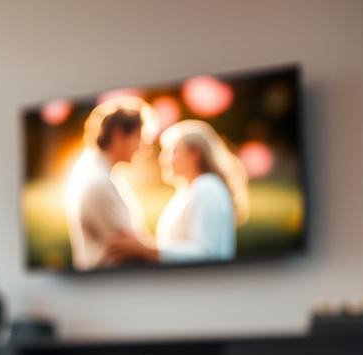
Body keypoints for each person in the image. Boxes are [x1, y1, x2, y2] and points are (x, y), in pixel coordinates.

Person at [103, 119, 250, 265]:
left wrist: (148, 250)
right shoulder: (187, 191)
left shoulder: (207, 188)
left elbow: (209, 254)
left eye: (173, 151)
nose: (163, 159)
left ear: (195, 153)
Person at [64, 96, 156, 271]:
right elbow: (132, 245)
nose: (144, 147)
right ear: (119, 134)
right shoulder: (98, 181)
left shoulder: (99, 173)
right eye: (140, 137)